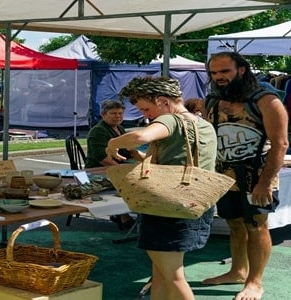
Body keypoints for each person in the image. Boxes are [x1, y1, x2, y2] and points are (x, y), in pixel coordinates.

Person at [106, 76, 218, 300]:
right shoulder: (203, 124)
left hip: (168, 207)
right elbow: (179, 160)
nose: (145, 115)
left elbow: (140, 136)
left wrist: (112, 143)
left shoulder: (172, 121)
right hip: (195, 203)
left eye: (146, 109)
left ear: (163, 101)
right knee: (161, 273)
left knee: (173, 276)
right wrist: (141, 156)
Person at [202, 52, 288, 300]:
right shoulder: (213, 100)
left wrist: (264, 183)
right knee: (234, 223)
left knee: (256, 225)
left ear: (241, 70)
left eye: (224, 71)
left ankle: (255, 282)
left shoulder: (266, 100)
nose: (218, 77)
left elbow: (280, 143)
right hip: (224, 174)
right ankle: (238, 271)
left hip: (257, 175)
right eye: (214, 73)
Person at [85, 99, 138, 229]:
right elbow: (102, 158)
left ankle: (122, 214)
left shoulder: (119, 128)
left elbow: (127, 150)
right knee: (131, 182)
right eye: (113, 113)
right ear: (103, 115)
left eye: (120, 113)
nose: (118, 116)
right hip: (98, 170)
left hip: (116, 166)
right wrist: (123, 170)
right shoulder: (98, 131)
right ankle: (124, 217)